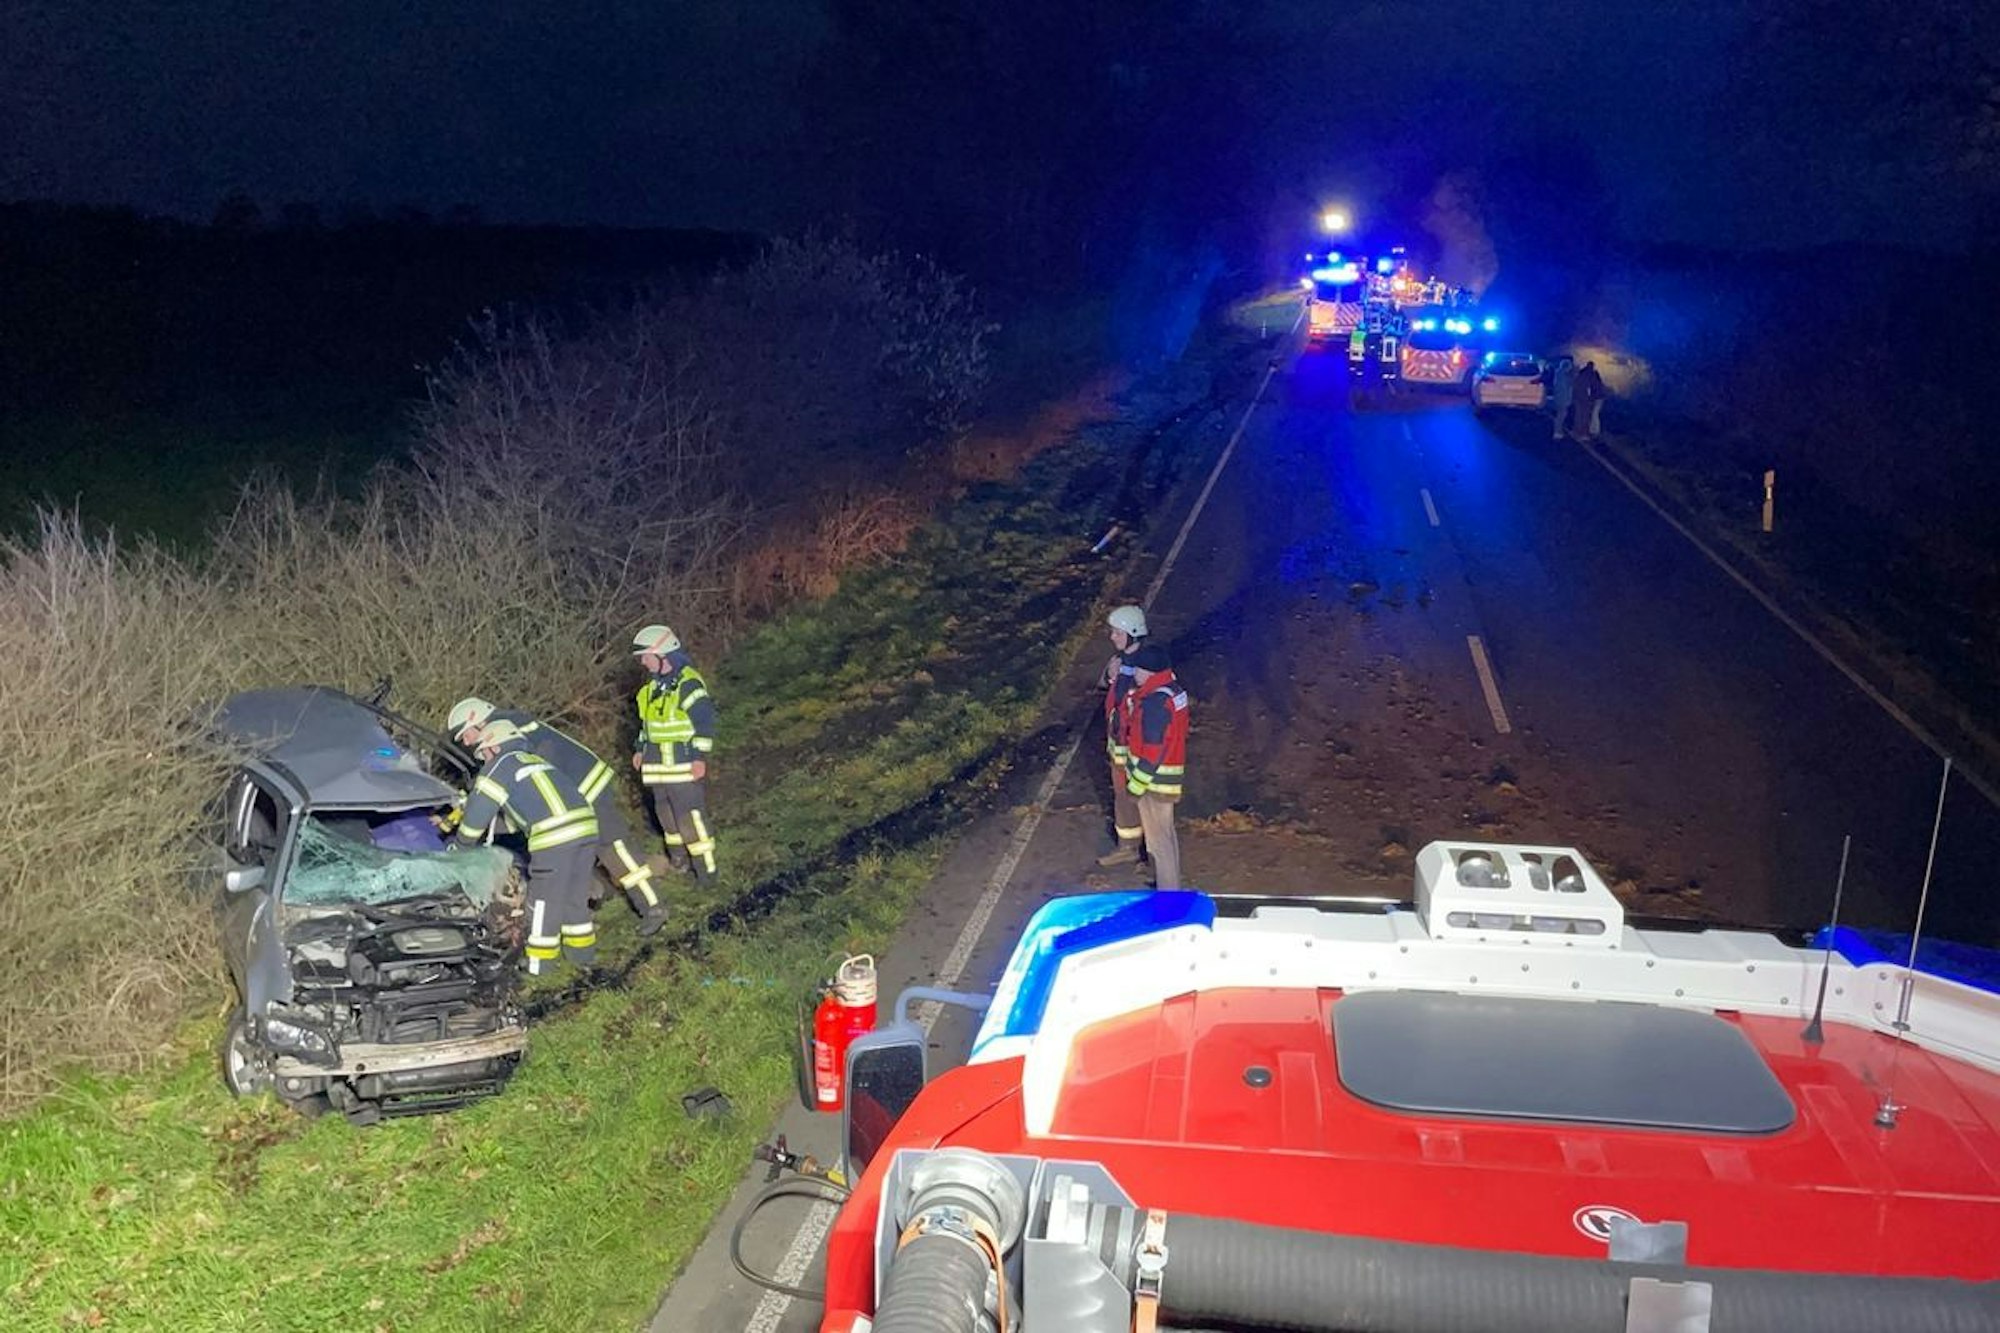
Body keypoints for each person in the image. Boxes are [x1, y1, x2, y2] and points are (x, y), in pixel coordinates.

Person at [447, 697, 668, 936]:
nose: (468, 742)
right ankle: (582, 914)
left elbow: (531, 767)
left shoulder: (508, 728)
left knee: (613, 849)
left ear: (476, 719)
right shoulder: (510, 728)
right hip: (570, 799)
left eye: (465, 735)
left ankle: (653, 907)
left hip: (585, 788)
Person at [454, 720, 600, 975]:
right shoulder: (533, 761)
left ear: (493, 747)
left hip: (555, 835)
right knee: (574, 894)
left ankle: (539, 966)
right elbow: (517, 819)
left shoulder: (498, 766)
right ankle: (582, 956)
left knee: (543, 900)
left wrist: (459, 848)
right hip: (585, 827)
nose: (484, 760)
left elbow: (476, 818)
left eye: (484, 754)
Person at [631, 624, 718, 882]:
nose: (644, 662)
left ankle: (706, 870)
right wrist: (639, 749)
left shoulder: (688, 685)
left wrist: (699, 758)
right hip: (657, 769)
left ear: (663, 655)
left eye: (646, 656)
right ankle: (678, 860)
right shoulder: (649, 691)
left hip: (682, 766)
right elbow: (647, 726)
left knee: (690, 819)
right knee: (667, 818)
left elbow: (704, 723)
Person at [1119, 643, 1191, 890]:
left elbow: (1152, 749)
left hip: (1154, 783)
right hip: (1166, 778)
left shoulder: (1154, 703)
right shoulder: (1173, 691)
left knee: (1158, 843)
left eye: (1137, 669)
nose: (1134, 674)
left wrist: (1136, 786)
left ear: (1148, 672)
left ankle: (1168, 895)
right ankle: (1167, 884)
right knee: (1166, 838)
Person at [1094, 605, 1149, 868]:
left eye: (1117, 632)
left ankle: (1151, 854)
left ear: (1132, 633)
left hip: (1139, 747)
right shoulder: (1118, 660)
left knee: (1145, 798)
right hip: (1119, 745)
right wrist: (1110, 673)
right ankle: (1128, 846)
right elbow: (1103, 683)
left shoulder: (1146, 664)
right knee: (1122, 797)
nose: (1113, 637)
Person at [1574, 360, 1606, 441]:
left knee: (1582, 414)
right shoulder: (1592, 375)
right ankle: (1591, 432)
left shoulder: (1581, 375)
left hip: (1582, 398)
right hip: (1591, 398)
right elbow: (1592, 388)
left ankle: (1581, 431)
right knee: (1591, 415)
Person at [1548, 355, 1576, 439]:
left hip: (1559, 398)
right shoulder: (1564, 376)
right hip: (1563, 399)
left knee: (1560, 416)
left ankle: (1558, 431)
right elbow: (1569, 386)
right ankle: (1557, 432)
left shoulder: (1558, 374)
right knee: (1561, 416)